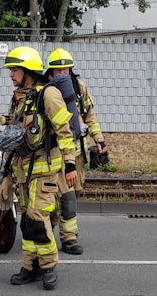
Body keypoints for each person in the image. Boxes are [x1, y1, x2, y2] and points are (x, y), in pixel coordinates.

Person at [3, 45, 76, 291]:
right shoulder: (19, 98)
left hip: (45, 169)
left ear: (29, 71)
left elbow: (65, 132)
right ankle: (30, 267)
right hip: (23, 171)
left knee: (36, 219)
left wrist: (70, 164)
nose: (11, 74)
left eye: (15, 69)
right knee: (26, 222)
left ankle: (48, 267)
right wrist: (6, 171)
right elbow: (14, 136)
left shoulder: (48, 95)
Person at [45, 47, 108, 256]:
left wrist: (99, 139)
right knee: (65, 196)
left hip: (78, 152)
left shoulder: (80, 89)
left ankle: (59, 231)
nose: (63, 75)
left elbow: (90, 116)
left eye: (66, 71)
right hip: (56, 152)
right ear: (50, 73)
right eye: (58, 71)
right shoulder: (47, 92)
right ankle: (68, 238)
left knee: (74, 193)